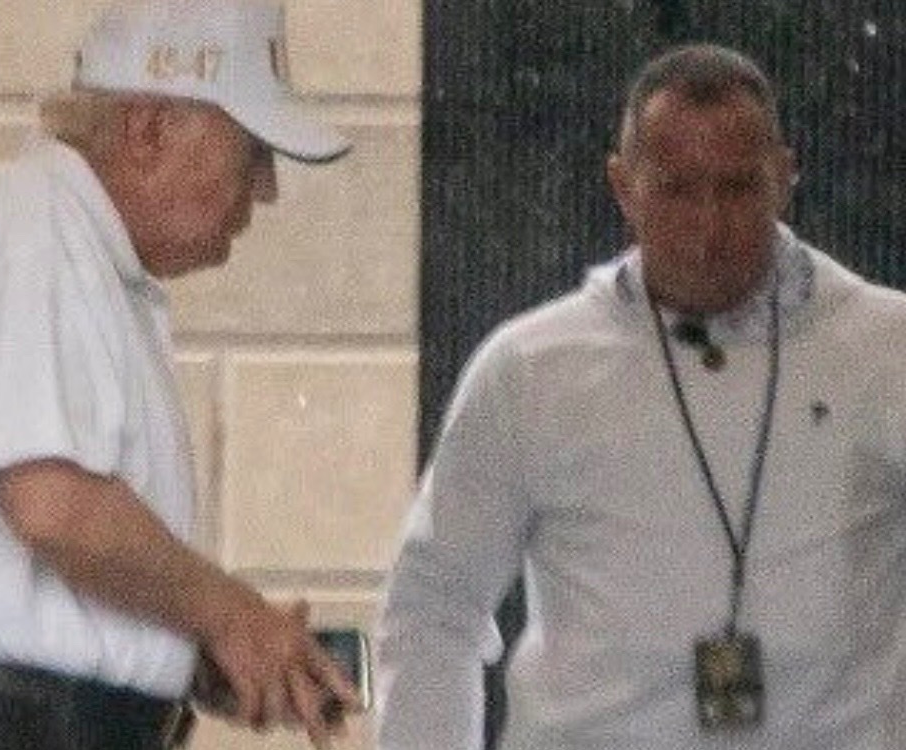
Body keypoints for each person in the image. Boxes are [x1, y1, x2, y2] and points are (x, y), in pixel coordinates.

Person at [0, 2, 361, 749]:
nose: (263, 190)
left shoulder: (67, 248)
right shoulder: (33, 226)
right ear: (149, 129)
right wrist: (229, 616)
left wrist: (205, 651)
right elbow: (54, 505)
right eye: (253, 153)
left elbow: (46, 579)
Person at [375, 42, 906, 750]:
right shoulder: (530, 370)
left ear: (785, 178)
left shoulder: (886, 350)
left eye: (737, 188)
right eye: (677, 190)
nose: (709, 226)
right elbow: (434, 603)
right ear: (622, 187)